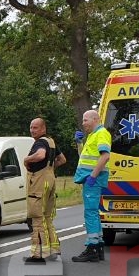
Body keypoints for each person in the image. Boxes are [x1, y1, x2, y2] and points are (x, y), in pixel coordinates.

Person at [23, 117, 66, 263]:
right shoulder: (51, 141)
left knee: (37, 218)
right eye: (31, 127)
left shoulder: (40, 142)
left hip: (39, 183)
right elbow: (62, 159)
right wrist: (51, 168)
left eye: (35, 127)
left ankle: (39, 253)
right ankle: (53, 250)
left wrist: (27, 159)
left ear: (43, 129)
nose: (32, 130)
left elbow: (40, 155)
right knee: (47, 217)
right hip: (50, 180)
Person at [72, 109, 111, 262]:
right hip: (90, 178)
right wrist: (79, 143)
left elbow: (106, 156)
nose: (83, 123)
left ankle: (92, 248)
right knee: (93, 212)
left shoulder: (101, 133)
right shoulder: (93, 135)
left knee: (90, 213)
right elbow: (84, 158)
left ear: (95, 119)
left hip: (93, 179)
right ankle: (99, 246)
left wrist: (93, 176)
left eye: (85, 120)